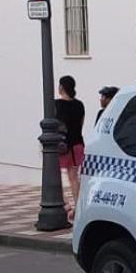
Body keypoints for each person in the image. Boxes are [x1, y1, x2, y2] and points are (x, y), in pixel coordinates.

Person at [54, 75, 86, 220]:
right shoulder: (79, 105)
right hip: (77, 144)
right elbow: (80, 125)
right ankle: (78, 207)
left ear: (61, 87)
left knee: (53, 174)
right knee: (74, 177)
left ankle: (65, 204)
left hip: (62, 146)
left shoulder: (56, 104)